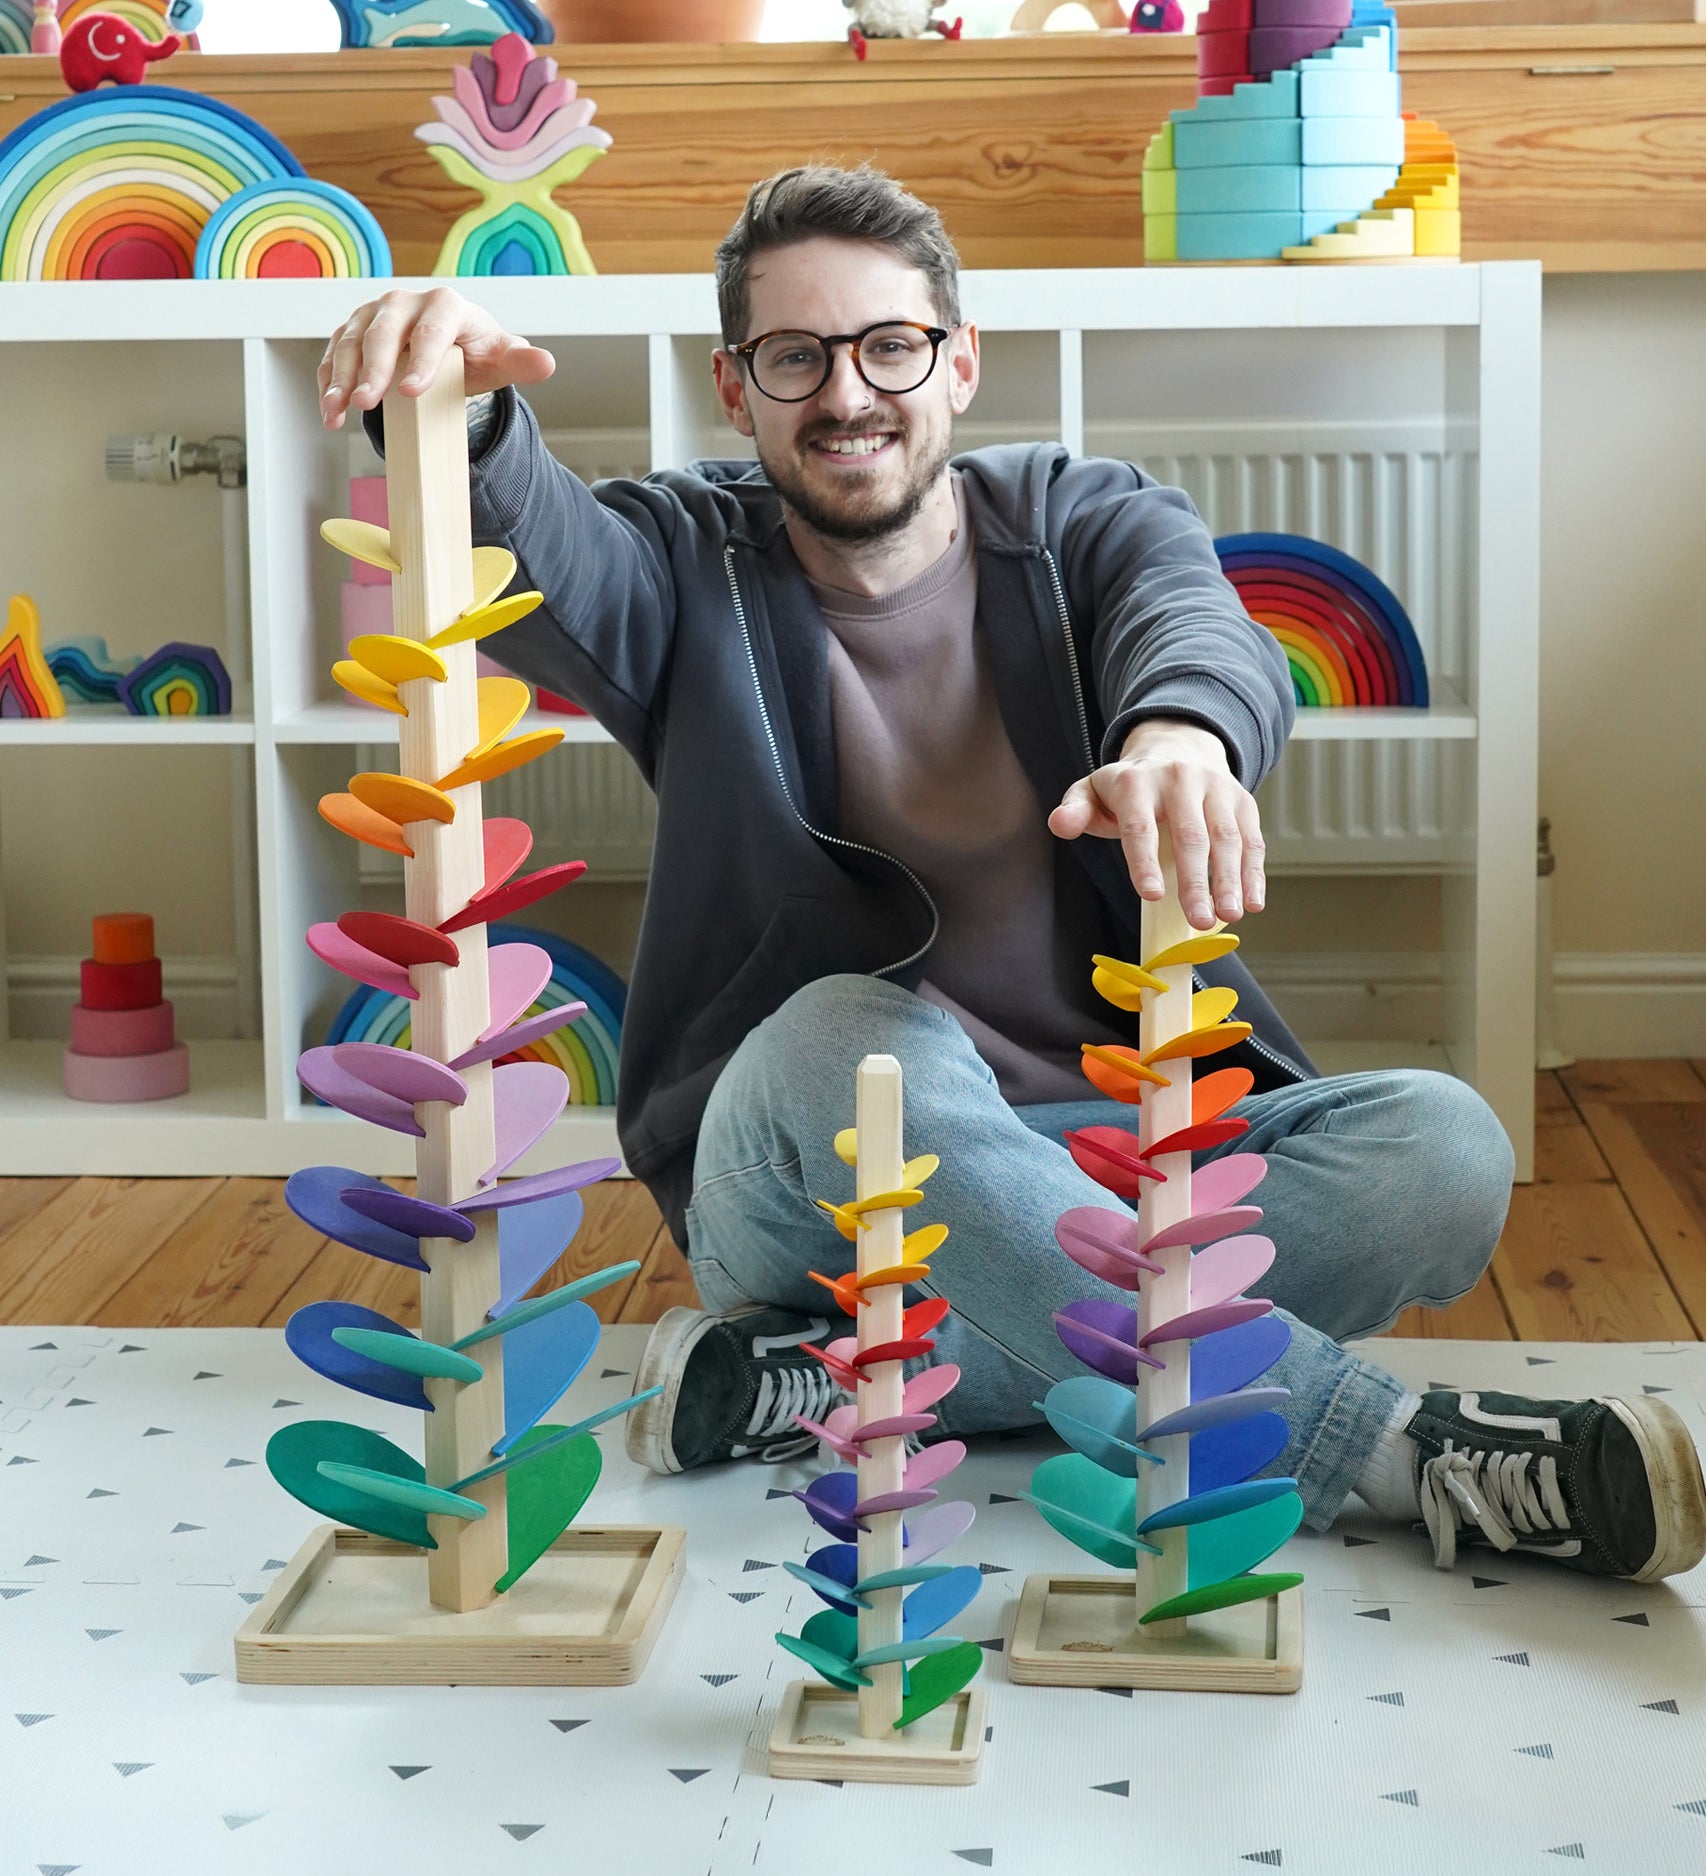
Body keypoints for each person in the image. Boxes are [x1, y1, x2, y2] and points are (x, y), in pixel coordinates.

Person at [319, 163, 1706, 1584]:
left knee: (1441, 1150)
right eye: (794, 357)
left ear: (958, 362)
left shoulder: (1080, 516)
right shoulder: (681, 562)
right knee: (855, 1032)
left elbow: (1194, 620)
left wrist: (1177, 739)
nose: (846, 393)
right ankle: (1400, 1452)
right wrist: (462, 412)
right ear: (737, 390)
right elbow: (537, 547)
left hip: (1104, 1147)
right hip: (807, 1176)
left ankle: (839, 1377)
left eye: (888, 346)